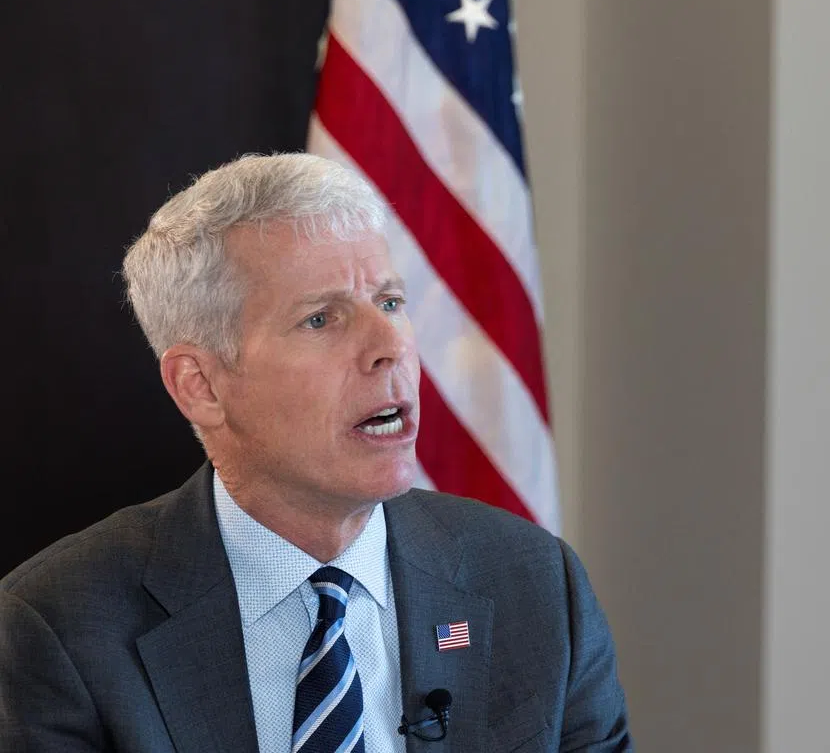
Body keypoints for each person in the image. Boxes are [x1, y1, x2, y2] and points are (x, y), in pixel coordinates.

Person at [0, 152, 631, 752]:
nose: (391, 345)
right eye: (321, 320)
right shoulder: (59, 627)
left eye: (390, 302)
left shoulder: (536, 587)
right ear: (203, 386)